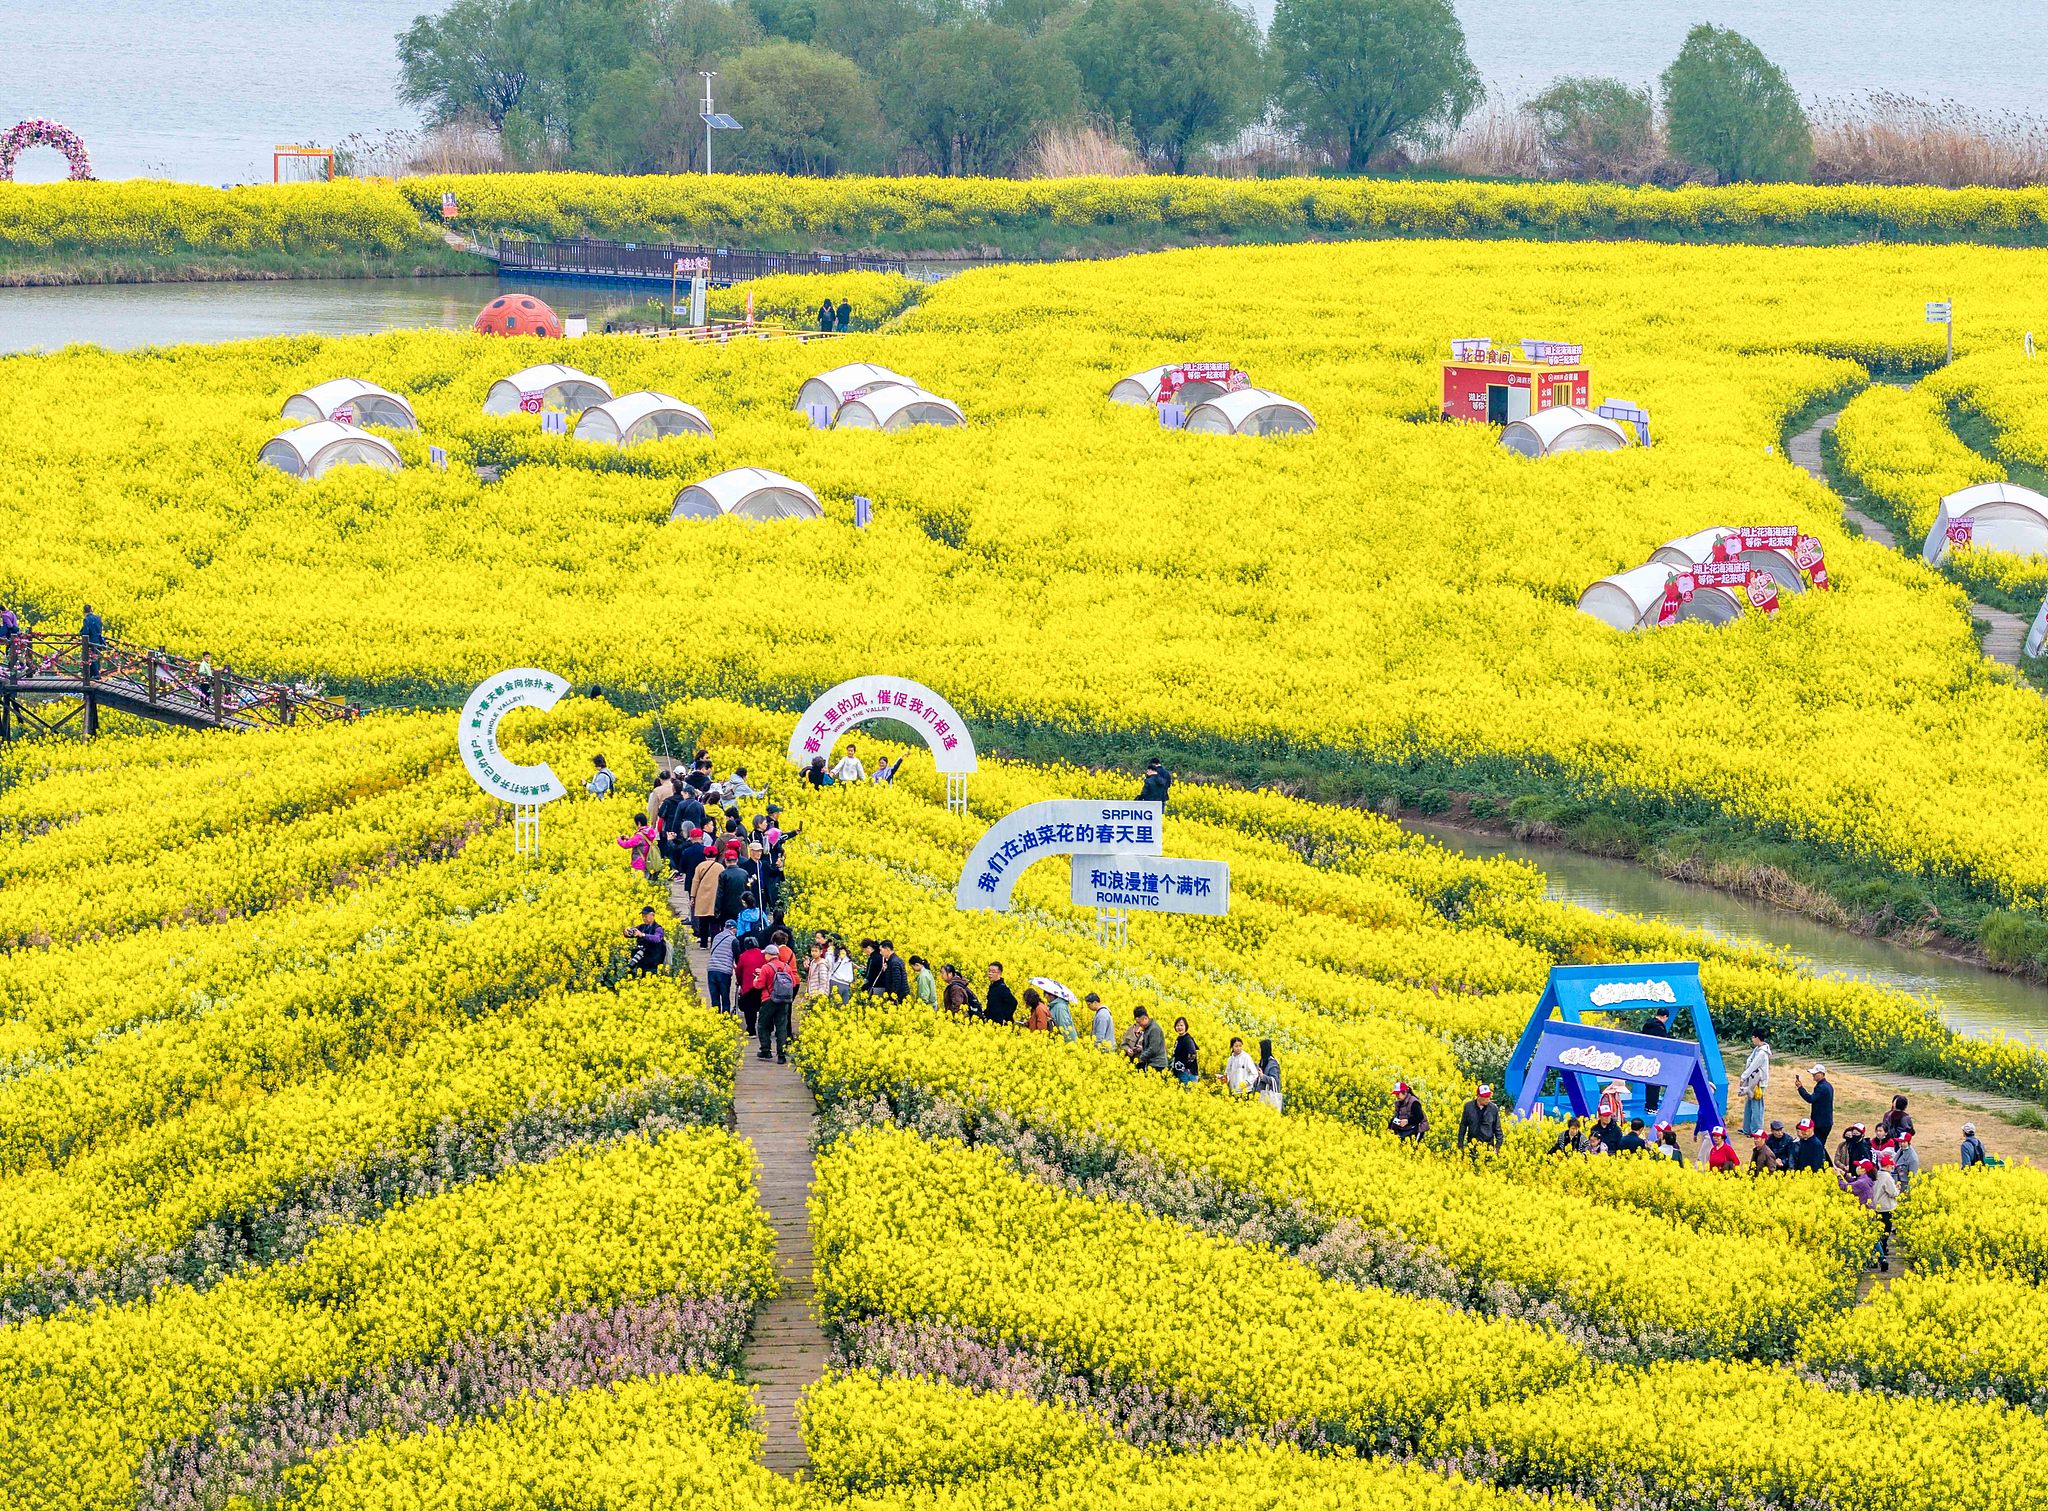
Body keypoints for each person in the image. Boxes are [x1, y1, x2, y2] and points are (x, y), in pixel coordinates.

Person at [755, 944, 800, 1062]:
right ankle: (781, 1055)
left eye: (766, 954)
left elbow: (759, 985)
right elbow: (793, 983)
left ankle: (766, 1050)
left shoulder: (766, 967)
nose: (765, 956)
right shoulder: (786, 967)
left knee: (762, 1025)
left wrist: (756, 980)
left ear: (769, 955)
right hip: (784, 1000)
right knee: (781, 1027)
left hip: (768, 999)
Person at [1737, 1031, 1772, 1137]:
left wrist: (1743, 1077)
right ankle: (1747, 1128)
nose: (1752, 1039)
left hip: (1758, 1084)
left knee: (1757, 1106)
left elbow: (1753, 1066)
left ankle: (1756, 1130)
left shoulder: (1762, 1052)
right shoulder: (1757, 1049)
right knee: (1749, 1105)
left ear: (1757, 1038)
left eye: (1753, 1037)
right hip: (1752, 1081)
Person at [1871, 1153, 1901, 1271]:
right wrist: (1897, 1189)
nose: (1892, 1168)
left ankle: (1877, 1256)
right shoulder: (1887, 1177)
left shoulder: (1877, 1174)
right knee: (1885, 1233)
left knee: (1877, 1233)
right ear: (1888, 1166)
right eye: (1891, 1166)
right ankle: (1882, 1256)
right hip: (1886, 1208)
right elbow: (1892, 1193)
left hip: (1876, 1208)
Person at [1795, 1065, 1834, 1155]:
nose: (1813, 1075)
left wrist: (1800, 1088)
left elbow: (1811, 1099)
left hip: (1821, 1123)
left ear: (1821, 1074)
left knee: (1817, 1146)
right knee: (1819, 1146)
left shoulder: (1821, 1087)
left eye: (1815, 1074)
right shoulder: (1828, 1086)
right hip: (1826, 1121)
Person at [690, 842, 724, 945]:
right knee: (715, 923)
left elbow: (695, 881)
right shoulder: (720, 867)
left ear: (705, 856)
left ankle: (703, 943)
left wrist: (693, 896)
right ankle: (714, 943)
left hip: (702, 897)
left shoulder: (700, 866)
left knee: (703, 921)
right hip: (715, 898)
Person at [734, 934, 767, 1038]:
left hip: (748, 986)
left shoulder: (743, 956)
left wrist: (739, 982)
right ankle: (766, 1029)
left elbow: (738, 971)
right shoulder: (763, 954)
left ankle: (751, 1030)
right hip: (761, 985)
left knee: (749, 1009)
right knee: (762, 1007)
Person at [1457, 1084, 1503, 1152]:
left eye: (1488, 1096)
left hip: (1488, 1146)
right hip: (1472, 1147)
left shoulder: (1493, 1108)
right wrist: (1460, 1144)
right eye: (1485, 1097)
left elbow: (1497, 1128)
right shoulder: (1468, 1107)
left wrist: (1498, 1146)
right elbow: (1463, 1126)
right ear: (1478, 1096)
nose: (1488, 1099)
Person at [706, 919, 738, 1013]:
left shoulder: (716, 937)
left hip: (711, 969)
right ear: (733, 929)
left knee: (714, 998)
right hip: (723, 972)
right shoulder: (733, 940)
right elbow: (737, 957)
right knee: (725, 998)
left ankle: (715, 1019)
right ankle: (725, 1019)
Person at [624, 906, 667, 974]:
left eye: (646, 916)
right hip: (641, 960)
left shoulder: (658, 928)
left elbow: (657, 938)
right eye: (643, 916)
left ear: (653, 915)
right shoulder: (641, 927)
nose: (644, 918)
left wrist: (642, 935)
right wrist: (627, 932)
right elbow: (633, 932)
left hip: (653, 962)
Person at [715, 846, 753, 925]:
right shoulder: (744, 873)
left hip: (727, 909)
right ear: (737, 860)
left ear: (725, 860)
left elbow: (720, 894)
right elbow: (748, 891)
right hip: (742, 907)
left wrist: (717, 909)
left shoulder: (724, 874)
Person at [1253, 1039, 1283, 1112]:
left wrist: (1263, 1076)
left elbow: (1275, 1080)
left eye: (1260, 1048)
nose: (1259, 1049)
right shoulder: (1263, 1061)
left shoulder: (1272, 1064)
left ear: (1264, 1049)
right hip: (1260, 1094)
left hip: (1269, 1096)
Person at [1170, 1017, 1200, 1084]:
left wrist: (1187, 1067)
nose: (1179, 1027)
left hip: (1187, 1074)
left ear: (1186, 1026)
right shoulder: (1180, 1038)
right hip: (1181, 1072)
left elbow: (1192, 1053)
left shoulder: (1187, 1039)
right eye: (1177, 1025)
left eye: (1181, 1025)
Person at [80, 603, 103, 679]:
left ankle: (96, 676)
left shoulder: (86, 619)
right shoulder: (98, 618)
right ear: (91, 610)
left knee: (91, 658)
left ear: (84, 611)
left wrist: (80, 633)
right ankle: (93, 675)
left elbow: (86, 631)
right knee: (96, 658)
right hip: (99, 640)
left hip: (90, 641)